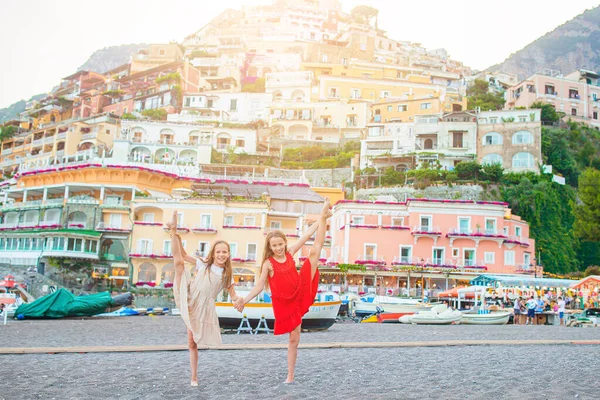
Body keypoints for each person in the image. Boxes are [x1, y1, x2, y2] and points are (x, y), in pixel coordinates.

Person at [238, 198, 332, 383]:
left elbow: (305, 236)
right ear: (270, 247)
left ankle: (324, 217)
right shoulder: (268, 263)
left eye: (281, 244)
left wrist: (321, 219)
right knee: (293, 339)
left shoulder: (289, 253)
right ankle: (290, 374)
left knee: (314, 252)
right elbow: (259, 286)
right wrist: (244, 300)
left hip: (300, 291)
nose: (279, 248)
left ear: (284, 243)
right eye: (275, 245)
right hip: (284, 303)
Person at [168, 211, 243, 387]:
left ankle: (194, 377)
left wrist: (238, 301)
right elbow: (185, 255)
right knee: (179, 263)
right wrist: (177, 236)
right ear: (213, 253)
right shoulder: (204, 263)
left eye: (225, 252)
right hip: (189, 296)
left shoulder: (227, 274)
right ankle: (172, 229)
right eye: (218, 251)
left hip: (203, 307)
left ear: (228, 254)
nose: (221, 254)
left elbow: (233, 295)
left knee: (192, 341)